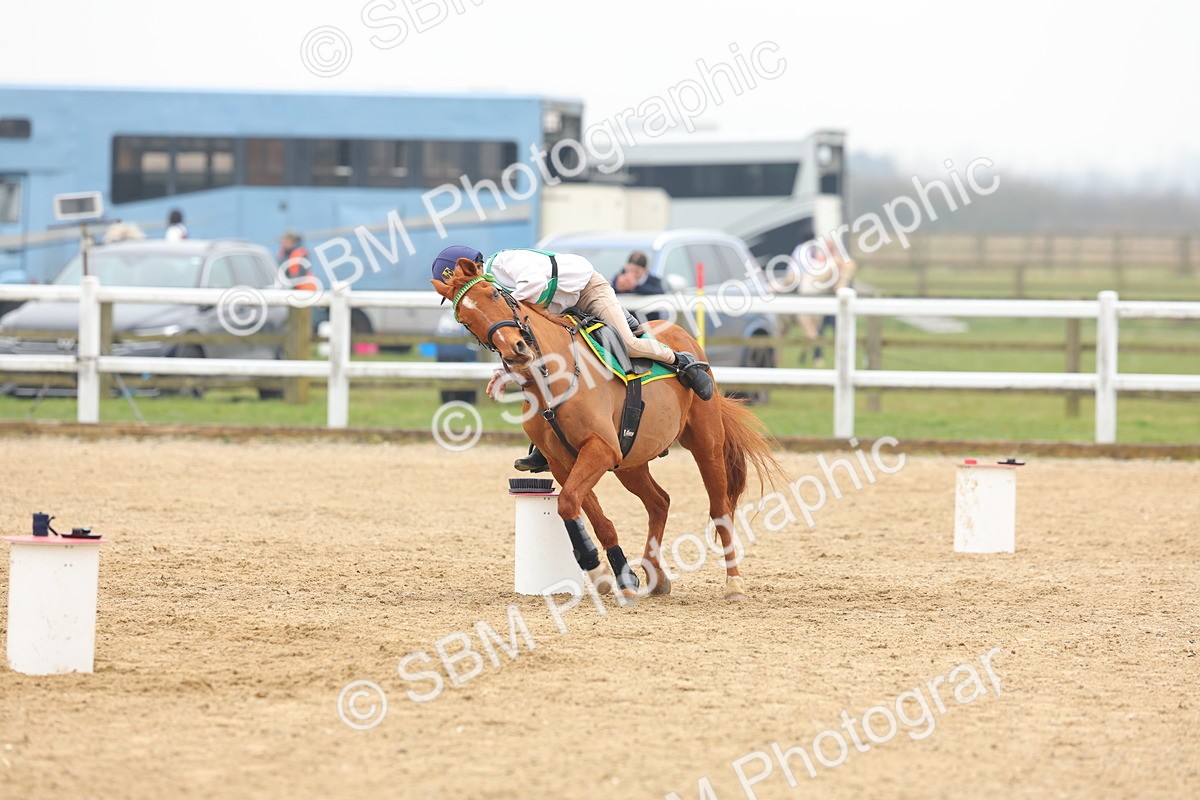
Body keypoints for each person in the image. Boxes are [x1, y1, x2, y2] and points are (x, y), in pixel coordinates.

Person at [432, 245, 714, 473]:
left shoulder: (506, 263)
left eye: (462, 281)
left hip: (587, 290)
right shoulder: (491, 294)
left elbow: (534, 283)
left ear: (474, 267)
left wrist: (507, 308)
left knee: (629, 343)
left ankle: (681, 361)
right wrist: (503, 368)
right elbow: (517, 337)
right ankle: (545, 445)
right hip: (562, 306)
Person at [792, 235, 857, 367]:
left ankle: (812, 358)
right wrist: (842, 285)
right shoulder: (828, 262)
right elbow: (846, 268)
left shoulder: (830, 262)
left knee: (814, 333)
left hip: (815, 300)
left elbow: (847, 268)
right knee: (812, 333)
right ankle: (813, 358)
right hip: (807, 298)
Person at [611, 250, 667, 324]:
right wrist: (619, 288)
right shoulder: (619, 277)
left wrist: (636, 286)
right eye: (629, 270)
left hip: (649, 322)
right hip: (628, 322)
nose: (632, 274)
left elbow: (660, 293)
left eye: (636, 271)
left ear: (645, 270)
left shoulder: (653, 281)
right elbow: (610, 291)